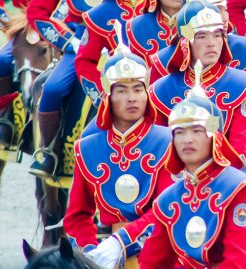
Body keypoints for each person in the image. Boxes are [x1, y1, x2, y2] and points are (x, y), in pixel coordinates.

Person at [139, 76, 246, 268]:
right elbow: (152, 262)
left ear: (214, 138)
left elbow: (236, 263)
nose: (187, 139)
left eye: (197, 131)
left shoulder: (238, 190)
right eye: (180, 132)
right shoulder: (168, 199)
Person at [62, 39, 172, 269]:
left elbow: (168, 209)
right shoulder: (88, 148)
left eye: (138, 89)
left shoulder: (169, 141)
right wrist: (90, 254)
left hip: (163, 251)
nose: (132, 98)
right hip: (105, 254)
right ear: (108, 97)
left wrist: (121, 242)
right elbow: (77, 216)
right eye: (121, 90)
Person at [148, 0, 246, 175]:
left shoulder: (244, 85)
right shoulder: (161, 89)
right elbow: (159, 145)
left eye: (217, 35)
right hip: (175, 179)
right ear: (185, 41)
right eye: (202, 36)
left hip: (232, 176)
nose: (211, 43)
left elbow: (243, 148)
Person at [26, 0, 97, 177]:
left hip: (131, 46)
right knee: (52, 90)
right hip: (83, 45)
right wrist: (68, 41)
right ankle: (48, 152)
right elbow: (36, 11)